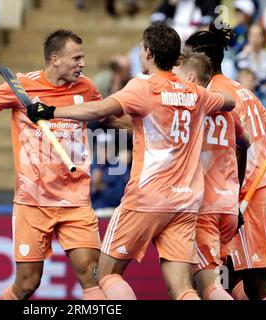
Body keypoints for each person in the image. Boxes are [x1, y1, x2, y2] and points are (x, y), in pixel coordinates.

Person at [27, 22, 236, 300]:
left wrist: (51, 111)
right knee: (183, 288)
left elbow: (101, 108)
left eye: (140, 49)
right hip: (185, 201)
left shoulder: (142, 87)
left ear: (148, 53)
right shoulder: (195, 93)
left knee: (105, 274)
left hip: (147, 197)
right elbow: (229, 101)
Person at [0, 29, 106, 300]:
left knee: (91, 274)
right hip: (32, 201)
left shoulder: (87, 88)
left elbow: (110, 117)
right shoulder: (21, 86)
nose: (82, 64)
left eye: (83, 58)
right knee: (27, 284)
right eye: (77, 58)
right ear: (55, 59)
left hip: (76, 201)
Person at [186, 23, 266, 300]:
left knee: (257, 284)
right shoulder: (242, 89)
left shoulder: (216, 96)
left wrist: (236, 196)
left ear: (199, 60)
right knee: (234, 274)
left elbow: (241, 147)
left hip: (247, 195)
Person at [173, 47, 250, 300]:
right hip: (228, 205)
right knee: (209, 280)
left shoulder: (190, 108)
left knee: (209, 286)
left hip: (203, 205)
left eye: (178, 74)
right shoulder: (226, 109)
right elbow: (245, 142)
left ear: (192, 78)